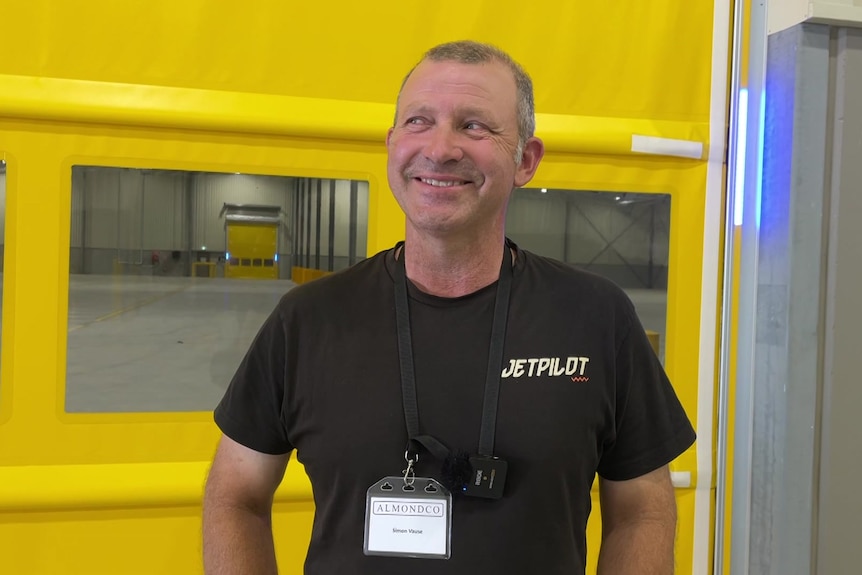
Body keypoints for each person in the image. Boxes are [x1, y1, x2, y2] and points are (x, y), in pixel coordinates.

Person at [202, 40, 696, 574]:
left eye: (474, 126)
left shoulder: (595, 318)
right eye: (419, 121)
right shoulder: (307, 320)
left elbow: (642, 510)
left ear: (526, 160)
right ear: (392, 144)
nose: (440, 148)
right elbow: (234, 495)